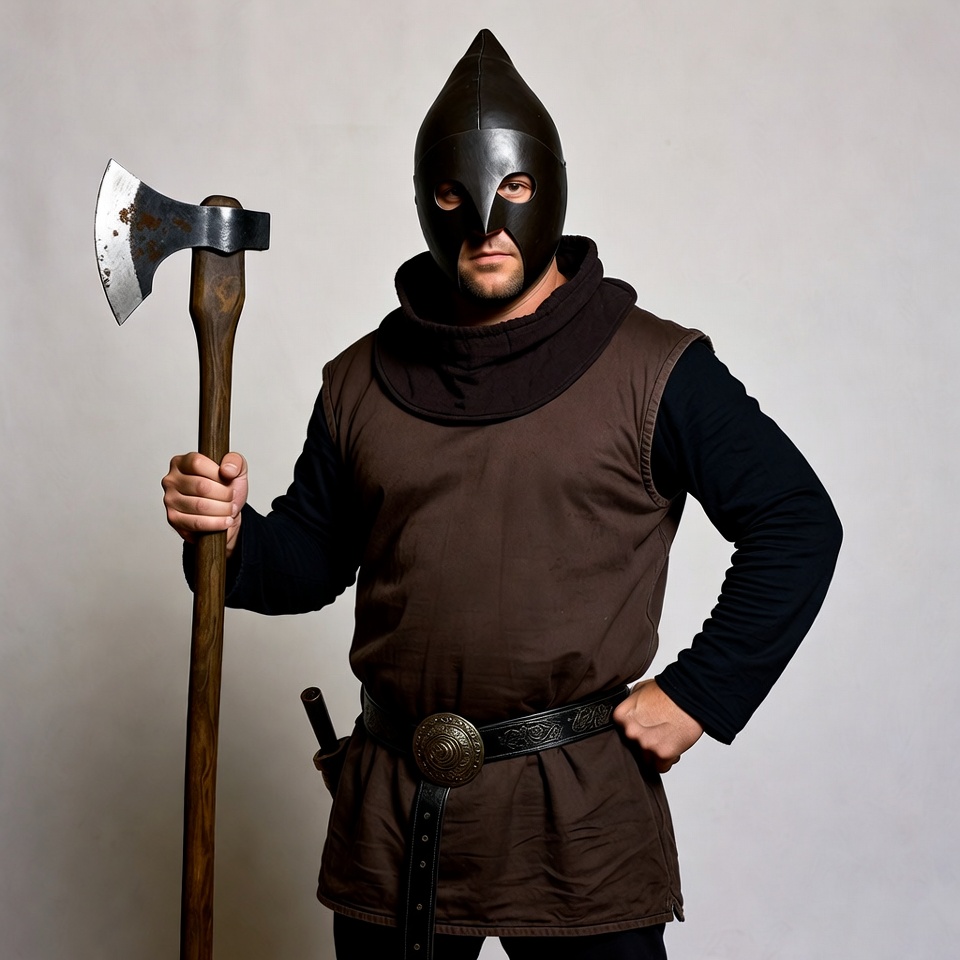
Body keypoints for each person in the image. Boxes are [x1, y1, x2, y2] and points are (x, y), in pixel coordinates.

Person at [162, 30, 841, 960]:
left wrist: (700, 693)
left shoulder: (655, 368)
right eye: (454, 196)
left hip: (578, 818)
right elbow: (308, 563)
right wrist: (230, 535)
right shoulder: (360, 381)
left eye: (513, 187)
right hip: (395, 814)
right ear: (424, 202)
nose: (486, 222)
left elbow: (797, 522)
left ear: (550, 188)